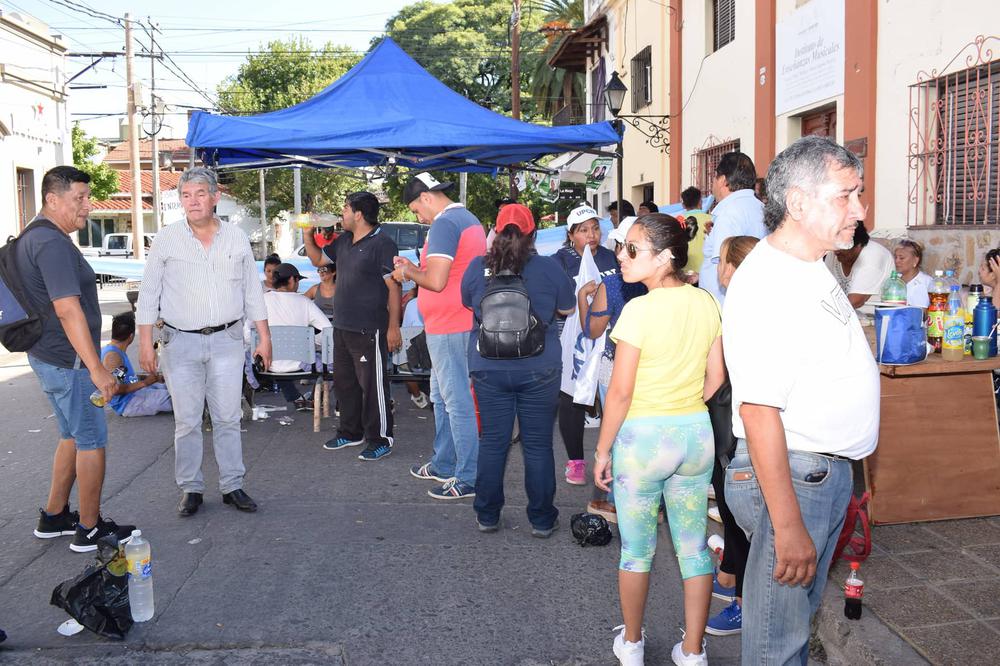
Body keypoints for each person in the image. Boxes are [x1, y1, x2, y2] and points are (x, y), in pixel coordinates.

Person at [723, 136, 879, 665]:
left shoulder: (813, 263)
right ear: (797, 203)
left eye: (858, 194)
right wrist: (787, 525)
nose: (860, 210)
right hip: (793, 478)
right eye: (846, 195)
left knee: (790, 630)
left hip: (818, 473)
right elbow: (759, 410)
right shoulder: (768, 281)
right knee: (776, 646)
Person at [593, 213, 725, 666]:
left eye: (632, 249)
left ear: (664, 257)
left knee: (636, 551)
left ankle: (631, 644)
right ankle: (692, 651)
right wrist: (684, 404)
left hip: (644, 441)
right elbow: (716, 378)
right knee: (693, 546)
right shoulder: (707, 302)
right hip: (694, 435)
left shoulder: (638, 310)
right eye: (622, 247)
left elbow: (621, 391)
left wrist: (602, 449)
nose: (621, 256)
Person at [137, 166, 272, 518]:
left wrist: (264, 337)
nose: (193, 202)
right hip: (180, 343)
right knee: (187, 420)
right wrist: (144, 342)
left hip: (227, 341)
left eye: (200, 194)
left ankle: (232, 485)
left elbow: (252, 290)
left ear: (215, 197)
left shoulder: (237, 238)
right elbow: (149, 293)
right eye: (186, 195)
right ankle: (191, 488)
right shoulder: (167, 238)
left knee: (228, 417)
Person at [18, 166, 135, 552]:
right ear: (53, 199)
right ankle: (89, 528)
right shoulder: (50, 243)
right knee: (91, 440)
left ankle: (53, 516)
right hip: (69, 362)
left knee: (71, 435)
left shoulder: (34, 235)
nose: (87, 206)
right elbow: (67, 309)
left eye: (87, 197)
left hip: (49, 355)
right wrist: (97, 368)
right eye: (79, 199)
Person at [460, 204, 575, 535]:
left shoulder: (477, 267)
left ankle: (487, 515)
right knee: (537, 444)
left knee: (493, 441)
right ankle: (541, 519)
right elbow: (566, 308)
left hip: (488, 366)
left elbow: (469, 303)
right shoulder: (550, 268)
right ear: (534, 234)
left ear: (494, 232)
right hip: (539, 368)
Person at [392, 172, 485, 500]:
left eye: (417, 210)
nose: (418, 216)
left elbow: (436, 280)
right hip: (453, 322)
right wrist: (414, 266)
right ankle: (445, 462)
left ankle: (468, 475)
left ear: (427, 198)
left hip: (450, 325)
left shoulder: (445, 224)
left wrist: (406, 272)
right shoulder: (467, 218)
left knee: (455, 399)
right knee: (443, 397)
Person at [303, 192, 401, 460]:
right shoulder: (345, 240)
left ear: (358, 214)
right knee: (345, 383)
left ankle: (381, 438)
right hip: (343, 327)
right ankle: (350, 432)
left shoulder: (383, 244)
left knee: (373, 386)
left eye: (345, 208)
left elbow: (394, 286)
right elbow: (317, 260)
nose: (341, 212)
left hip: (370, 328)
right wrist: (307, 234)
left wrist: (393, 327)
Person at [705, 235, 759, 638]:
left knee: (737, 513)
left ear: (735, 267)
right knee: (733, 513)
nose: (717, 268)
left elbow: (720, 377)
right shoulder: (749, 305)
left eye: (721, 260)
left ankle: (744, 602)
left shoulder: (741, 309)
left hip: (736, 428)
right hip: (742, 426)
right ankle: (731, 577)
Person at [577, 215, 647, 523]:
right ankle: (649, 501)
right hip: (654, 370)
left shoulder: (613, 284)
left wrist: (582, 299)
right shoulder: (670, 284)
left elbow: (592, 330)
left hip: (617, 366)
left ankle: (621, 504)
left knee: (619, 439)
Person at [553, 204, 620, 486]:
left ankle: (614, 458)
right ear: (571, 235)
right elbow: (556, 303)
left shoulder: (611, 258)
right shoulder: (559, 261)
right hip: (572, 341)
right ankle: (576, 462)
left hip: (608, 339)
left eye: (595, 228)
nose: (591, 235)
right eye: (583, 230)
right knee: (571, 398)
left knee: (611, 396)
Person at [257, 263, 332, 410]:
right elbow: (328, 331)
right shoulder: (304, 302)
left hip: (267, 363)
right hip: (302, 365)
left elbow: (248, 333)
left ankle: (297, 398)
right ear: (292, 280)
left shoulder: (262, 301)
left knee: (273, 350)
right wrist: (313, 343)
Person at [698, 152, 768, 304]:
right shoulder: (760, 207)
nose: (713, 185)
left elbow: (725, 271)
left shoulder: (729, 212)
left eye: (714, 179)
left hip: (724, 305)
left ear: (722, 180)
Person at [100, 312, 173, 417]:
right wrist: (146, 383)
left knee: (171, 387)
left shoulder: (114, 351)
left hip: (134, 394)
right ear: (131, 336)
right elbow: (114, 389)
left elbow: (123, 378)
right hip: (129, 403)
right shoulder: (113, 357)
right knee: (177, 398)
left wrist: (153, 379)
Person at [825, 221, 893, 309]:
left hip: (874, 318)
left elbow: (855, 301)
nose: (836, 251)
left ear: (858, 245)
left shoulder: (873, 255)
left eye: (842, 246)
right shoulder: (834, 254)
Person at [680, 186, 711, 277]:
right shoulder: (712, 220)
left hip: (683, 274)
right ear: (700, 202)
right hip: (705, 273)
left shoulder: (676, 222)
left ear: (683, 205)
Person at [893, 239, 932, 308]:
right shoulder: (893, 281)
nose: (897, 261)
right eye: (895, 257)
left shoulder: (926, 282)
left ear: (915, 260)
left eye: (901, 258)